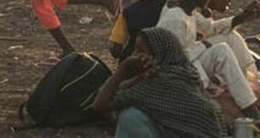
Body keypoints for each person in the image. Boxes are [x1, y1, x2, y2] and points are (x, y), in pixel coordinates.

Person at [157, 0, 260, 118]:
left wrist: (242, 17)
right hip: (177, 76)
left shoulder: (188, 10)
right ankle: (250, 110)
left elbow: (209, 29)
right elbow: (176, 58)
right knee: (220, 52)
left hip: (190, 65)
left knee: (222, 50)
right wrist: (201, 46)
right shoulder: (176, 19)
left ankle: (249, 105)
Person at [93, 26, 225, 138]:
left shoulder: (158, 85)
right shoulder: (185, 74)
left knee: (130, 116)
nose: (134, 55)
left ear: (158, 56)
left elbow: (100, 105)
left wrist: (123, 68)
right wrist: (138, 77)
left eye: (140, 50)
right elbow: (120, 90)